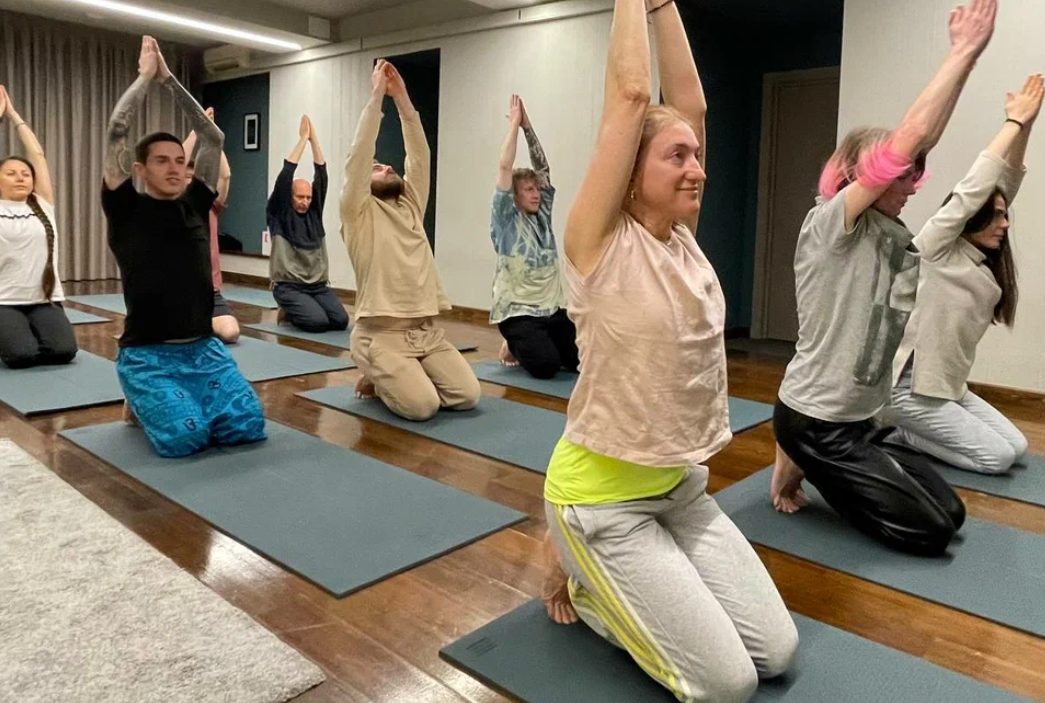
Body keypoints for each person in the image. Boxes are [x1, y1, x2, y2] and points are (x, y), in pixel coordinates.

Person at [541, 1, 798, 701]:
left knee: (777, 654)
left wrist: (662, 6)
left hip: (679, 492)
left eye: (696, 156)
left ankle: (627, 580)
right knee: (726, 685)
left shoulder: (682, 242)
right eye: (676, 157)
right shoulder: (598, 243)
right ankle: (584, 580)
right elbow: (631, 96)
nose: (697, 170)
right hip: (600, 503)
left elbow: (692, 105)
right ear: (630, 172)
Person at [771, 0, 998, 556]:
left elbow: (922, 140)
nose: (912, 185)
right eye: (900, 176)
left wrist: (969, 65)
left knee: (952, 513)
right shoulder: (833, 224)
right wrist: (960, 50)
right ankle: (806, 462)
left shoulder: (889, 232)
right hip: (816, 422)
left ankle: (809, 464)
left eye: (913, 175)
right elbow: (908, 139)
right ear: (860, 176)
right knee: (929, 531)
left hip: (860, 420)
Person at [102, 36, 266, 458]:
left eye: (179, 160)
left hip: (203, 348)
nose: (174, 168)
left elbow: (213, 135)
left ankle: (166, 401)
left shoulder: (195, 203)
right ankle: (139, 395)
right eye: (162, 161)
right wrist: (145, 78)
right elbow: (117, 129)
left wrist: (169, 80)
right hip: (148, 354)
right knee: (185, 439)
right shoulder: (125, 207)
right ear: (139, 169)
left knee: (246, 427)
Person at [880, 75, 1041, 475]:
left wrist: (1027, 126)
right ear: (972, 217)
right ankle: (899, 433)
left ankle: (911, 432)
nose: (1005, 223)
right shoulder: (934, 249)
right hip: (906, 390)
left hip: (946, 387)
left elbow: (1005, 182)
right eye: (996, 216)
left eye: (1004, 215)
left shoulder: (980, 263)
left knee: (1018, 447)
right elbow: (975, 189)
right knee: (996, 458)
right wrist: (1012, 124)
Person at [341, 60, 480, 421]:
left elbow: (419, 155)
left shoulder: (411, 205)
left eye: (388, 165)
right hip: (380, 335)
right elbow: (358, 156)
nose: (387, 167)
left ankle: (402, 375)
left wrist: (401, 98)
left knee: (468, 395)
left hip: (426, 333)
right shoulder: (358, 213)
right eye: (377, 168)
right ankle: (378, 373)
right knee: (423, 407)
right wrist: (376, 98)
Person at [490, 94, 577, 378]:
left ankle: (541, 342)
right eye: (529, 190)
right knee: (546, 367)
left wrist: (528, 128)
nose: (536, 193)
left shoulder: (542, 215)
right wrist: (513, 126)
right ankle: (513, 343)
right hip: (518, 314)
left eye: (536, 189)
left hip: (551, 311)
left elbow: (543, 169)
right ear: (515, 196)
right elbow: (505, 167)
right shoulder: (506, 219)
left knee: (580, 361)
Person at [0, 85, 78, 369]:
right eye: (11, 173)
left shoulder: (42, 204)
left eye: (25, 174)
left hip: (44, 299)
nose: (21, 177)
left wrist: (13, 115)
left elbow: (37, 155)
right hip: (3, 300)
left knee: (64, 351)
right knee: (20, 356)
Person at [267, 115, 348, 333]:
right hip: (289, 287)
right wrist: (302, 139)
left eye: (308, 197)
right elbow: (285, 175)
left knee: (340, 321)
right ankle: (288, 309)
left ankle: (305, 307)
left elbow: (322, 175)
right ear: (290, 196)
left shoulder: (314, 214)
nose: (305, 201)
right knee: (317, 323)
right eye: (300, 197)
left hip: (318, 287)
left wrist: (314, 140)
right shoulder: (279, 214)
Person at [183, 107, 239, 344]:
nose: (188, 182)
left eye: (192, 178)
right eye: (184, 177)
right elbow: (176, 165)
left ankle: (198, 322)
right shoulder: (170, 206)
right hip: (176, 291)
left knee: (231, 333)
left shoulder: (209, 205)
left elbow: (225, 176)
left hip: (209, 292)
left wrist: (214, 138)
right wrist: (197, 131)